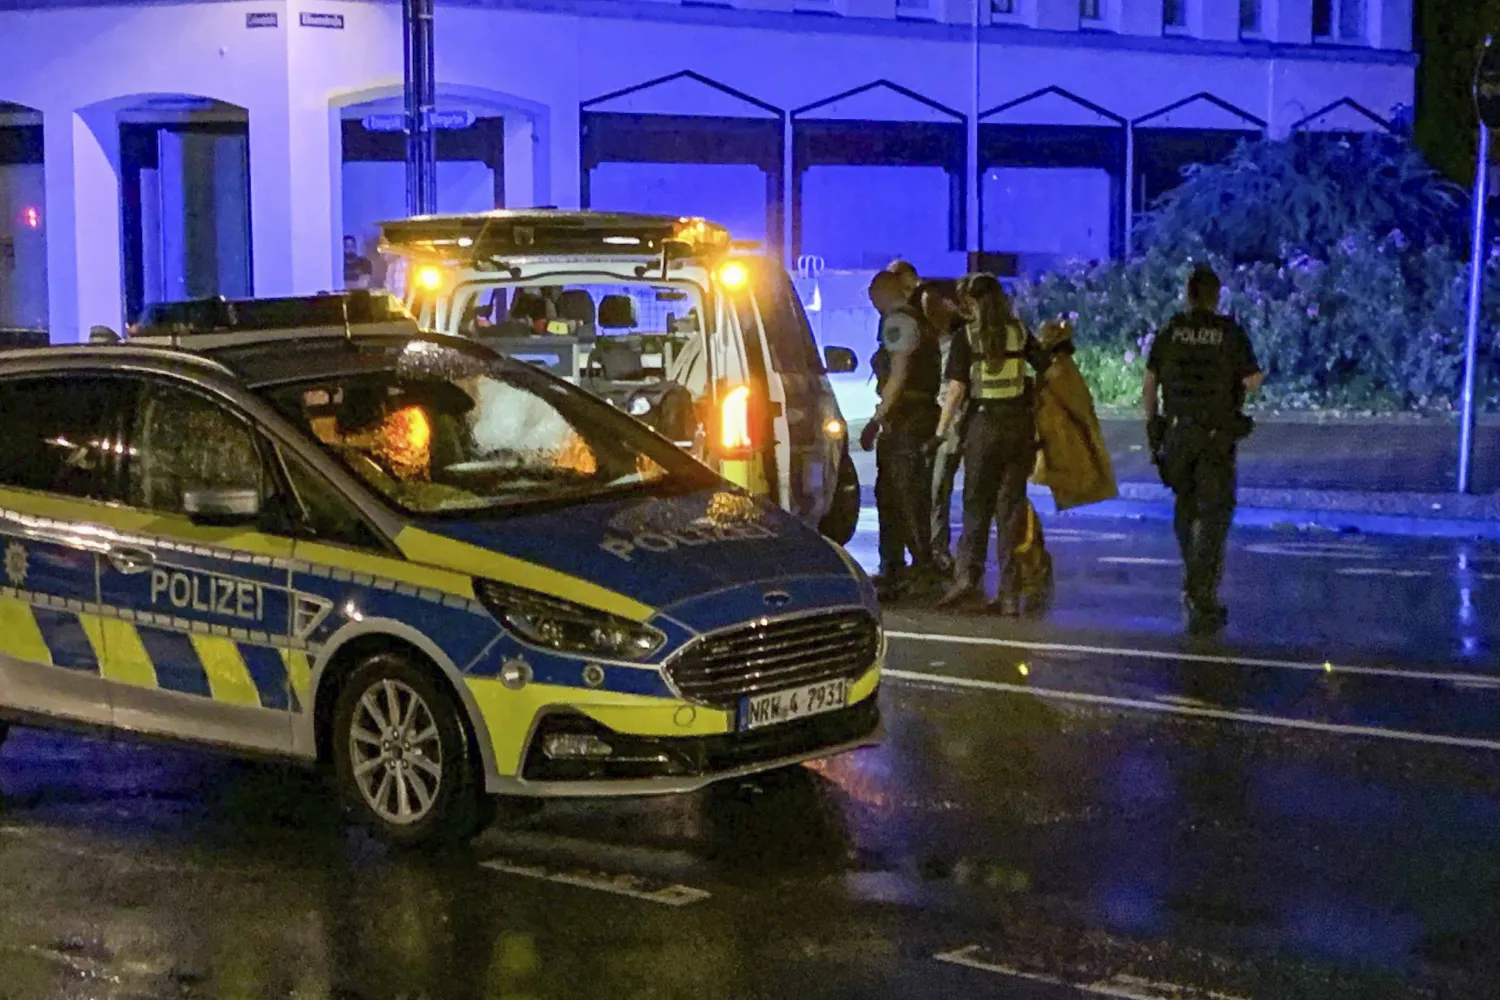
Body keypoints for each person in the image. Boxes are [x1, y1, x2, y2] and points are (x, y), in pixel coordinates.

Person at [1143, 264, 1263, 635]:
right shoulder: (1228, 332)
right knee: (1214, 517)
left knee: (1185, 507)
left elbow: (1149, 385)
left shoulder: (1171, 331)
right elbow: (1253, 380)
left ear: (1187, 294)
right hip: (1214, 437)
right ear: (1215, 296)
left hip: (1178, 434)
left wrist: (1154, 428)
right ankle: (1201, 592)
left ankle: (1193, 580)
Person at [936, 274, 1056, 613]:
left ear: (972, 302)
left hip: (984, 428)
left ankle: (966, 581)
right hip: (1018, 430)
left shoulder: (966, 337)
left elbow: (957, 391)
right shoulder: (1018, 332)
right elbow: (1047, 369)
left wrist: (941, 432)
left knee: (976, 507)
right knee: (1010, 511)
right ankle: (1008, 594)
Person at [860, 269, 944, 599]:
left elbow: (898, 376)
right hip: (911, 418)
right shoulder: (916, 320)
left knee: (906, 495)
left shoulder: (899, 322)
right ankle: (894, 567)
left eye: (874, 300)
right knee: (891, 493)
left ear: (881, 294)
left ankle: (921, 567)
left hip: (908, 420)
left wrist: (875, 419)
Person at [919, 281, 967, 575]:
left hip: (953, 422)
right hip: (940, 419)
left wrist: (941, 430)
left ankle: (939, 551)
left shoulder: (960, 341)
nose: (930, 313)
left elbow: (954, 390)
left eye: (935, 306)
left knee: (939, 487)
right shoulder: (930, 341)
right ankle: (934, 550)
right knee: (934, 489)